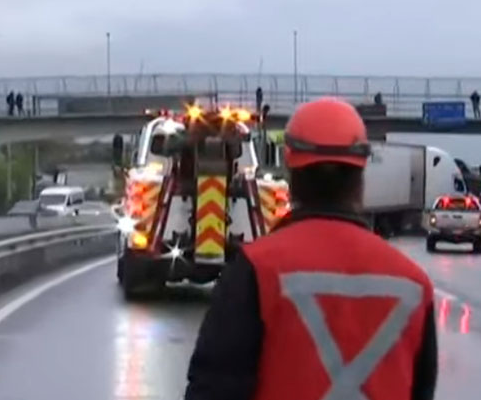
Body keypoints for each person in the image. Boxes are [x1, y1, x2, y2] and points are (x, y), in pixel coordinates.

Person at [184, 97, 438, 400]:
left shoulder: (255, 269)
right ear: (361, 170)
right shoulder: (413, 283)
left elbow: (214, 389)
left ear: (291, 168)